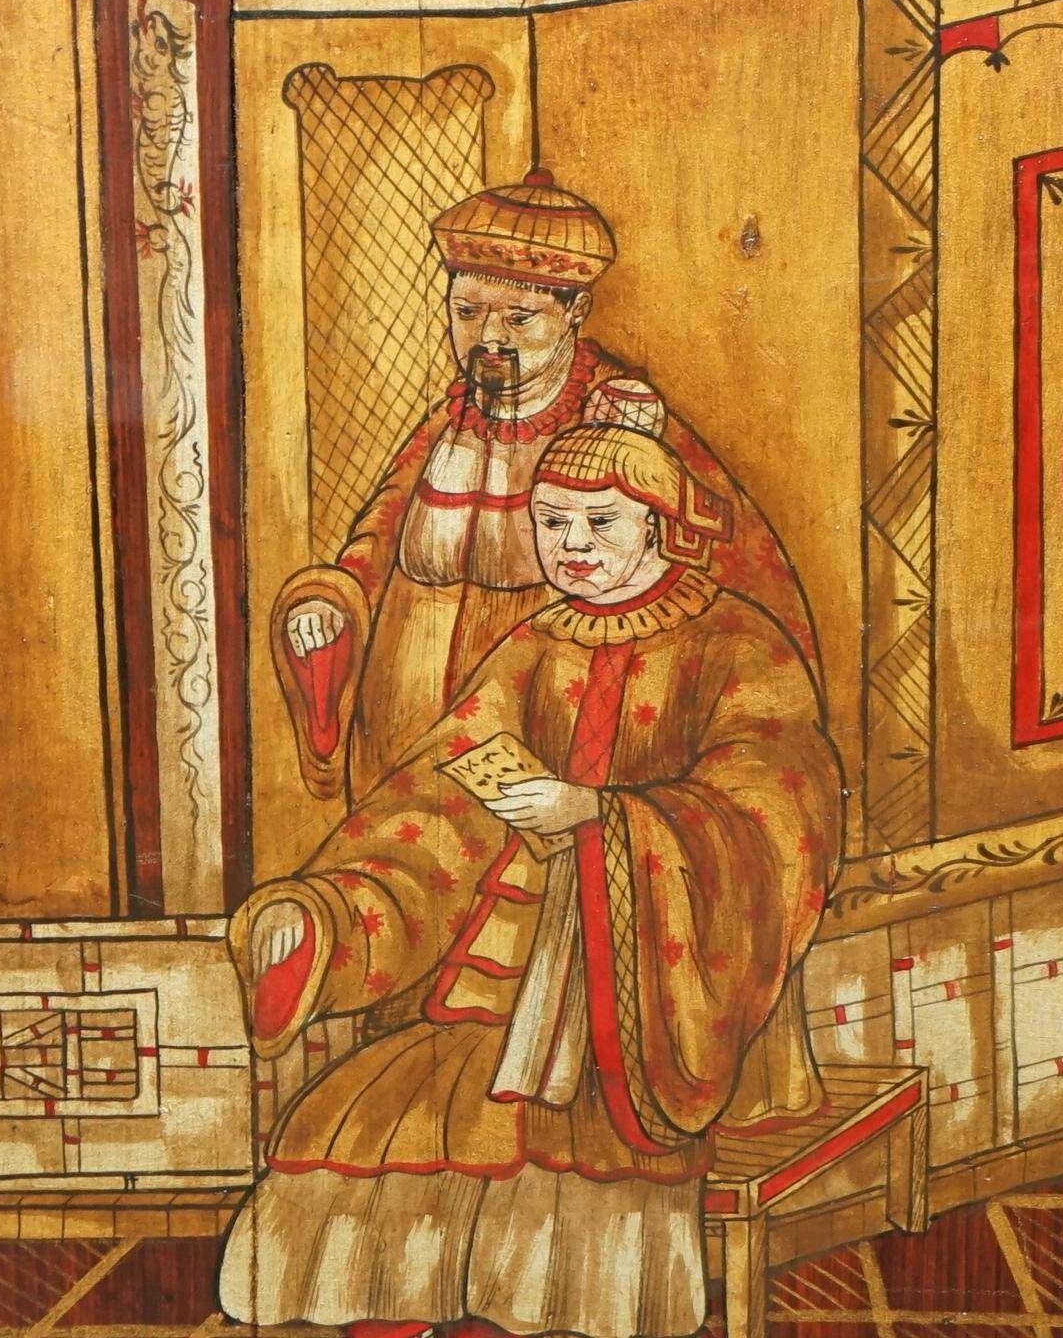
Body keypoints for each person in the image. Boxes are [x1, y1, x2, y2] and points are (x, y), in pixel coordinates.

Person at [225, 421, 844, 1338]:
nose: (574, 548)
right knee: (356, 1127)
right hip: (500, 992)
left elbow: (778, 805)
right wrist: (319, 913)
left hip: (656, 1010)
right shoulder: (534, 645)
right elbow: (437, 805)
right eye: (554, 524)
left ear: (660, 525)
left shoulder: (736, 642)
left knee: (572, 1157)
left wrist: (609, 819)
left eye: (601, 524)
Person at [277, 171, 816, 800]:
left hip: (542, 720)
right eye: (467, 311)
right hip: (398, 726)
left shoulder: (620, 423)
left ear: (576, 312)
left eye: (521, 316)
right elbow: (380, 534)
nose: (490, 337)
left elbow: (713, 565)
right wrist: (329, 603)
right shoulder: (451, 419)